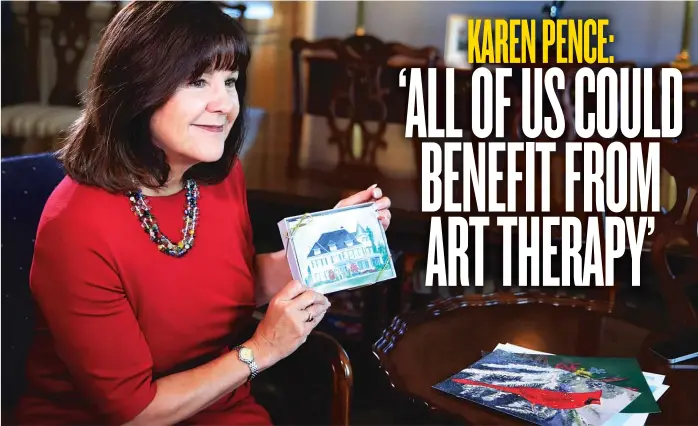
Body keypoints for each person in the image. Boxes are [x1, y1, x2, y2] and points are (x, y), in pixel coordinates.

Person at [14, 2, 391, 425]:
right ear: (137, 86)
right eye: (198, 81)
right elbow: (134, 411)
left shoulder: (220, 176)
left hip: (220, 406)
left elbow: (228, 288)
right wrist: (263, 349)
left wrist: (334, 235)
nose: (225, 104)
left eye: (229, 81)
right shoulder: (76, 225)